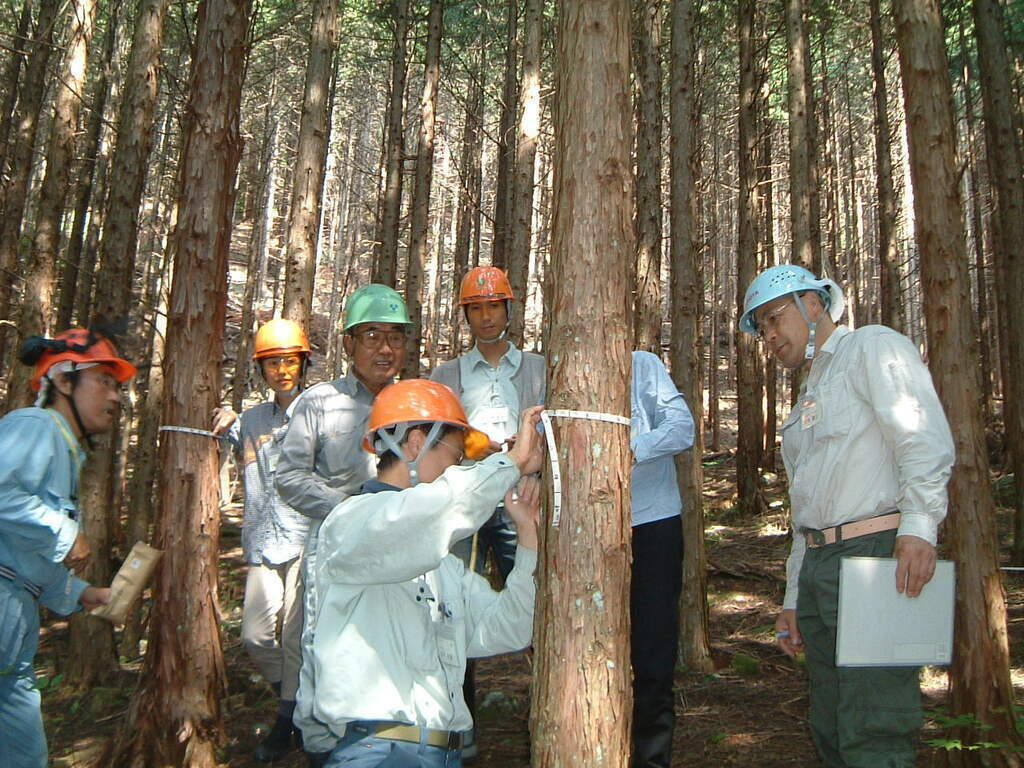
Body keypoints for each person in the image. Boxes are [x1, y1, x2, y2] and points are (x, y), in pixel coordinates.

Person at [739, 264, 955, 767]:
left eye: (775, 318)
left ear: (813, 305)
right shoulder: (810, 393)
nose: (770, 337)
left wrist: (919, 529)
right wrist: (794, 596)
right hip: (821, 566)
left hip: (878, 553)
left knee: (874, 722)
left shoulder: (871, 347)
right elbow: (805, 513)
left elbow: (921, 437)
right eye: (762, 329)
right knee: (832, 722)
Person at [304, 379, 543, 768]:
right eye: (455, 452)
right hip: (378, 753)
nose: (457, 466)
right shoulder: (350, 525)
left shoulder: (441, 565)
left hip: (442, 752)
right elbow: (428, 513)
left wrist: (528, 533)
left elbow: (510, 627)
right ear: (415, 442)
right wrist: (508, 464)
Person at [275, 284, 411, 765]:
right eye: (371, 335)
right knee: (322, 650)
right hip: (332, 549)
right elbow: (288, 475)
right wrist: (344, 506)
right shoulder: (318, 402)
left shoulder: (418, 405)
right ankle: (322, 747)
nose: (385, 347)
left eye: (396, 336)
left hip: (400, 553)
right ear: (349, 343)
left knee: (393, 649)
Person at [0, 328, 137, 768]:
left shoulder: (62, 447)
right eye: (104, 382)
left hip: (15, 626)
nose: (116, 397)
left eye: (118, 386)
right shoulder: (35, 426)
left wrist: (79, 592)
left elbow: (19, 549)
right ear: (63, 381)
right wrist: (63, 531)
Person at [429, 265, 545, 758]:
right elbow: (437, 440)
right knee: (454, 608)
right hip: (468, 501)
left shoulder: (539, 368)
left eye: (493, 306)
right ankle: (459, 721)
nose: (485, 316)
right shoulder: (447, 375)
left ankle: (545, 711)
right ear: (466, 316)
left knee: (538, 601)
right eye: (475, 308)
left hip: (526, 500)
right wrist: (474, 447)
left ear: (508, 310)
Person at [211, 318, 312, 762]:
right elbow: (225, 434)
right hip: (262, 541)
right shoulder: (252, 419)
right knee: (254, 636)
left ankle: (286, 723)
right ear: (261, 370)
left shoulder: (319, 409)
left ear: (302, 363)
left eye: (289, 361)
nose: (282, 370)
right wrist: (227, 417)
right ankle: (295, 703)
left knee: (295, 639)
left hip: (308, 541)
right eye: (272, 363)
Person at [628, 350, 695, 768]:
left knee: (653, 655)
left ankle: (652, 759)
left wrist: (631, 446)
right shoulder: (557, 367)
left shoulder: (643, 365)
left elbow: (682, 427)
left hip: (652, 524)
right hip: (583, 531)